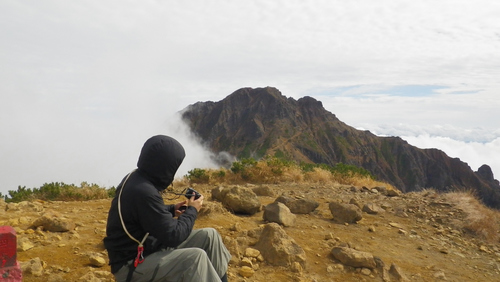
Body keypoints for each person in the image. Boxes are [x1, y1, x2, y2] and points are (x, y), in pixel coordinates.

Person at [104, 135, 231, 282]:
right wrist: (192, 210)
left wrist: (171, 209)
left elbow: (145, 212)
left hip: (150, 248)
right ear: (163, 166)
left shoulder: (137, 178)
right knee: (194, 259)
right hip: (131, 265)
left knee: (210, 236)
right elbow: (174, 236)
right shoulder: (144, 192)